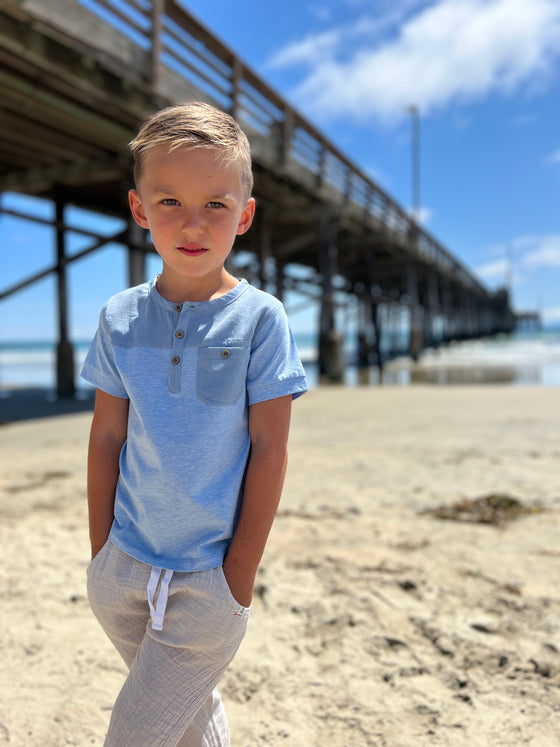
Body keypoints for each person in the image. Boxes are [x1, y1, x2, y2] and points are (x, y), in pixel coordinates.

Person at [81, 101, 308, 746]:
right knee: (188, 717)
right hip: (122, 563)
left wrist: (238, 576)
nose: (192, 223)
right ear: (138, 208)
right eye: (169, 200)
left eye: (215, 204)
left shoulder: (262, 319)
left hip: (208, 575)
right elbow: (105, 437)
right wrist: (101, 555)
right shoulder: (119, 318)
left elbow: (270, 447)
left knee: (134, 733)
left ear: (245, 214)